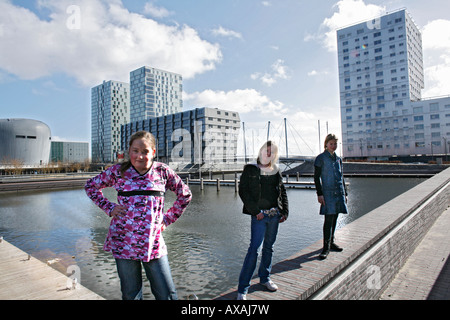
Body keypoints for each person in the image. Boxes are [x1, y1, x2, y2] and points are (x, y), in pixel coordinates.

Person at [85, 131, 192, 300]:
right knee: (131, 294)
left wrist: (167, 219)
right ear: (129, 151)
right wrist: (109, 207)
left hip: (153, 243)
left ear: (153, 152)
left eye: (145, 151)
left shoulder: (162, 172)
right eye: (135, 151)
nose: (140, 156)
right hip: (123, 243)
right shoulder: (118, 171)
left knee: (167, 294)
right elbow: (91, 186)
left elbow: (185, 194)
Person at [236, 141, 289, 300]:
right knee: (254, 249)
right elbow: (243, 191)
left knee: (269, 248)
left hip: (274, 215)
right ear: (260, 152)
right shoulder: (251, 169)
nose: (268, 154)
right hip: (259, 216)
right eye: (266, 151)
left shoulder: (276, 170)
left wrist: (285, 211)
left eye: (271, 152)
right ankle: (243, 288)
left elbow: (282, 191)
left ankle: (265, 278)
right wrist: (255, 211)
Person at [314, 133, 348, 260]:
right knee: (328, 219)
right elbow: (316, 177)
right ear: (326, 144)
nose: (333, 146)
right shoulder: (320, 158)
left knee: (335, 217)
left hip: (338, 192)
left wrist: (345, 193)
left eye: (335, 144)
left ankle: (331, 242)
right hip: (327, 193)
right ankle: (325, 247)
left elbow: (341, 176)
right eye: (331, 144)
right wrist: (319, 194)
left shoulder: (338, 159)